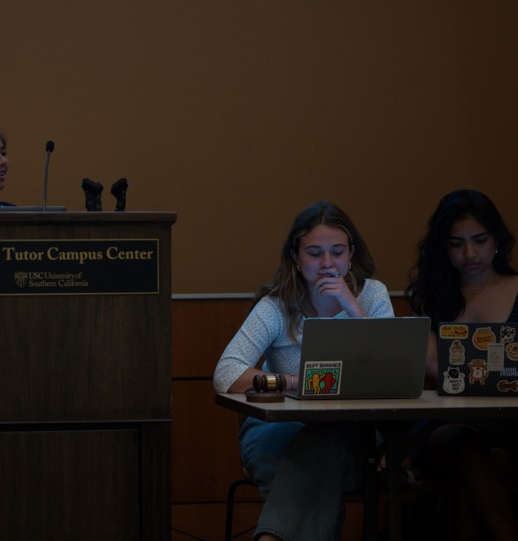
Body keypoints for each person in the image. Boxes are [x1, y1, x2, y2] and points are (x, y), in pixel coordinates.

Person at [213, 201, 393, 541]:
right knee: (318, 456)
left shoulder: (373, 295)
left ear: (351, 254)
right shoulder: (277, 306)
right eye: (314, 253)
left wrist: (353, 309)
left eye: (337, 252)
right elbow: (225, 374)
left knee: (323, 447)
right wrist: (294, 382)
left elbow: (392, 370)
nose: (327, 264)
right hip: (280, 428)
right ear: (295, 256)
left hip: (354, 429)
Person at [406, 189, 518, 541]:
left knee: (484, 467)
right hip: (451, 423)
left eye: (480, 241)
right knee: (462, 442)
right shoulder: (434, 297)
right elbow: (430, 367)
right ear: (443, 247)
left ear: (496, 240)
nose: (470, 254)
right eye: (457, 244)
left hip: (510, 424)